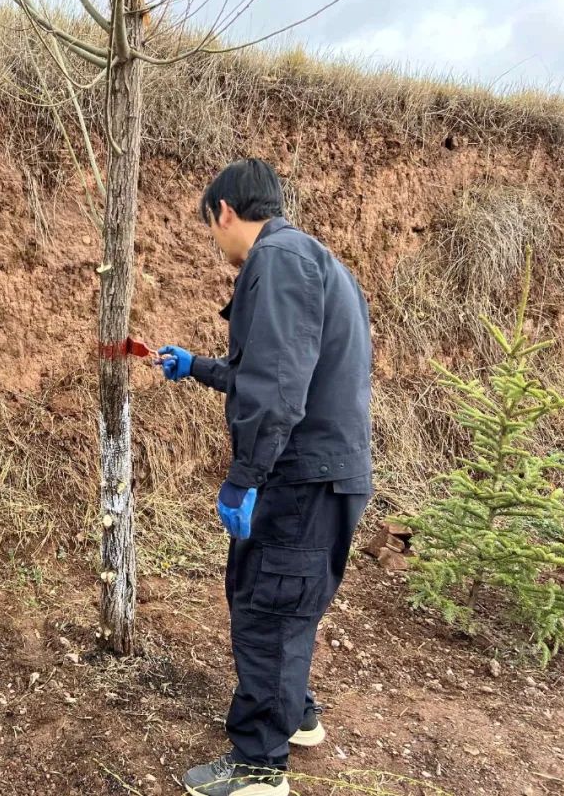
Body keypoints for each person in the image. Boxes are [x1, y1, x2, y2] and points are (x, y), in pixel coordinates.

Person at [158, 159, 372, 796]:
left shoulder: (275, 262)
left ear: (224, 212)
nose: (217, 246)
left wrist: (243, 477)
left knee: (268, 608)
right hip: (327, 475)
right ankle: (295, 714)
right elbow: (278, 373)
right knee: (288, 599)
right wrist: (198, 365)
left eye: (211, 229)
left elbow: (278, 393)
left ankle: (258, 767)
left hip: (298, 476)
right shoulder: (317, 261)